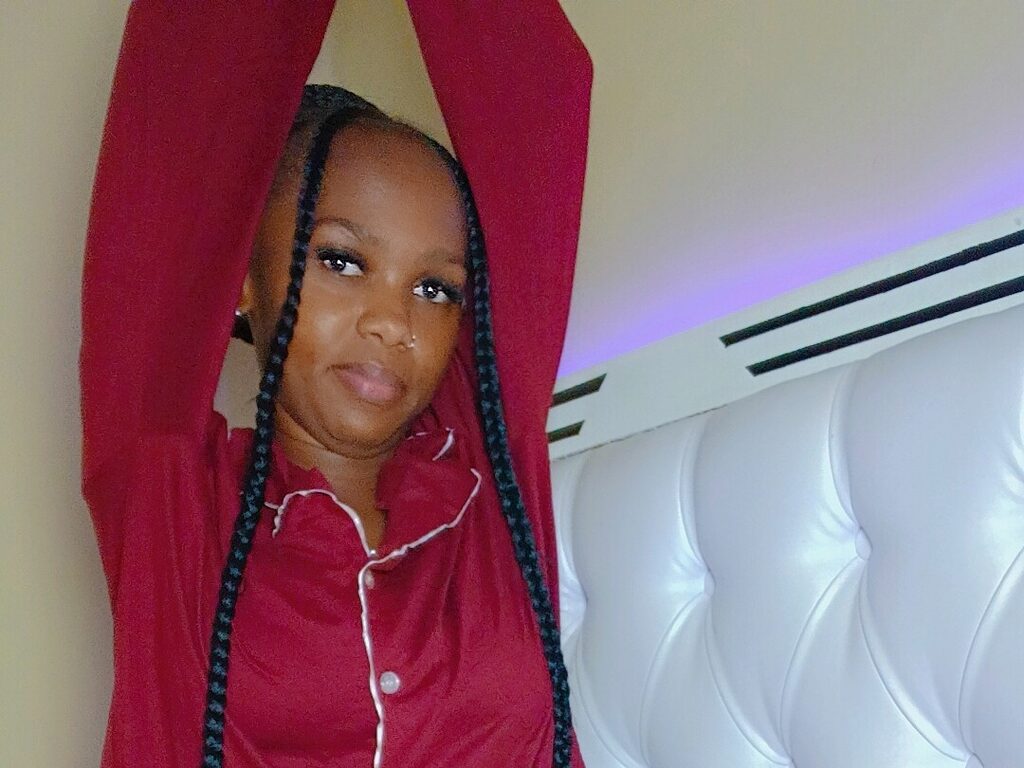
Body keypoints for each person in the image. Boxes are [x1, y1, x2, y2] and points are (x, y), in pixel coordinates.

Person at [80, 2, 592, 767]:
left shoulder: (489, 476)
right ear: (240, 274)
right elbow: (193, 69)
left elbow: (536, 102)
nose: (393, 321)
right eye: (342, 260)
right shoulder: (174, 503)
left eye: (435, 289)